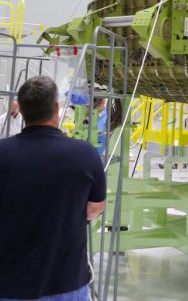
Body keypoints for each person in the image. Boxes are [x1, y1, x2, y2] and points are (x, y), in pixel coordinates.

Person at [0, 76, 106, 301]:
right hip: (66, 285)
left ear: (21, 109)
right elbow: (95, 209)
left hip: (9, 283)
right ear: (57, 108)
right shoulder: (85, 154)